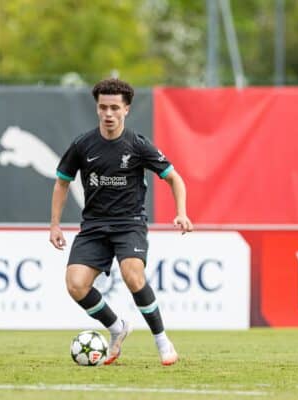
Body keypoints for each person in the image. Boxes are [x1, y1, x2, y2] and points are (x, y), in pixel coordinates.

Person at [49, 78, 193, 366]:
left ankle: (162, 341)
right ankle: (117, 328)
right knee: (75, 285)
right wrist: (54, 224)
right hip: (93, 227)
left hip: (129, 224)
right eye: (103, 107)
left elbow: (174, 178)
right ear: (97, 109)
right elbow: (62, 182)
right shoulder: (83, 145)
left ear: (126, 109)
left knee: (132, 275)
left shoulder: (138, 145)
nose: (108, 113)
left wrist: (182, 212)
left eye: (115, 107)